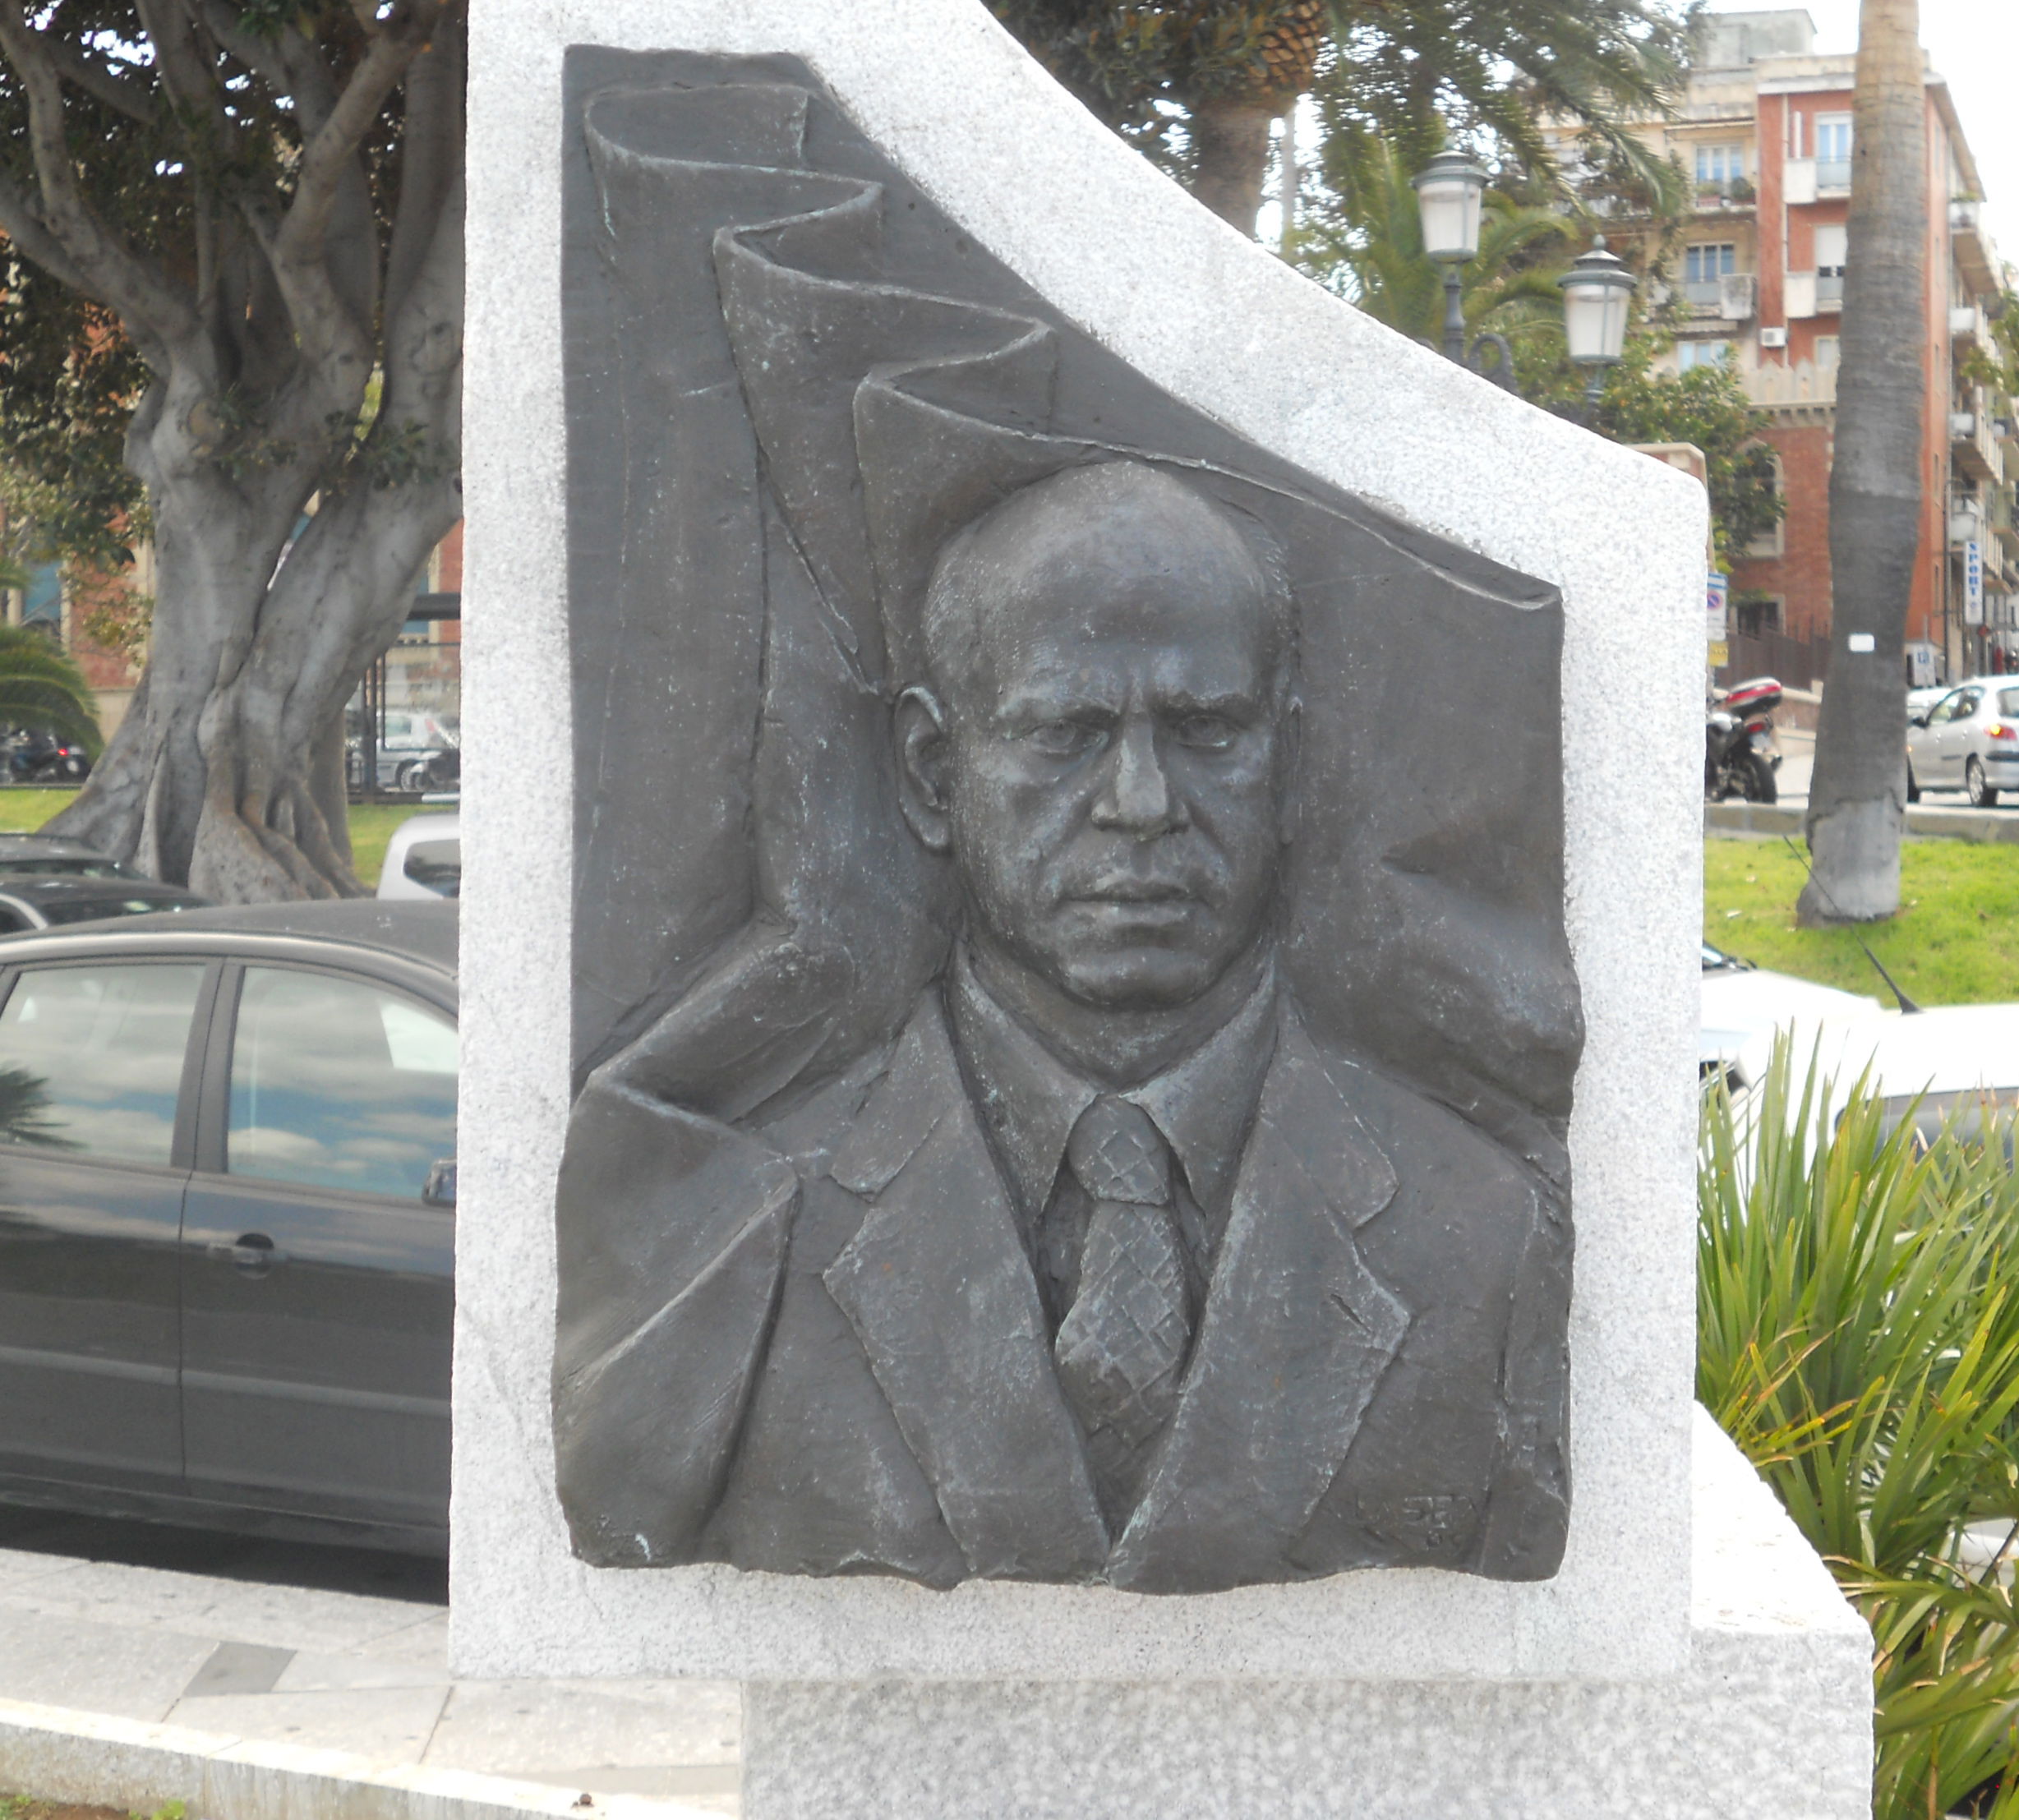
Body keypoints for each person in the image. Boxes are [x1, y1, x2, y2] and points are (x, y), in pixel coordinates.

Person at [552, 461, 1570, 1594]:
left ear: (1286, 761)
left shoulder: (1480, 1235)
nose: (1142, 800)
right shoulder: (739, 1236)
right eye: (1063, 733)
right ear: (935, 776)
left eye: (1206, 731)